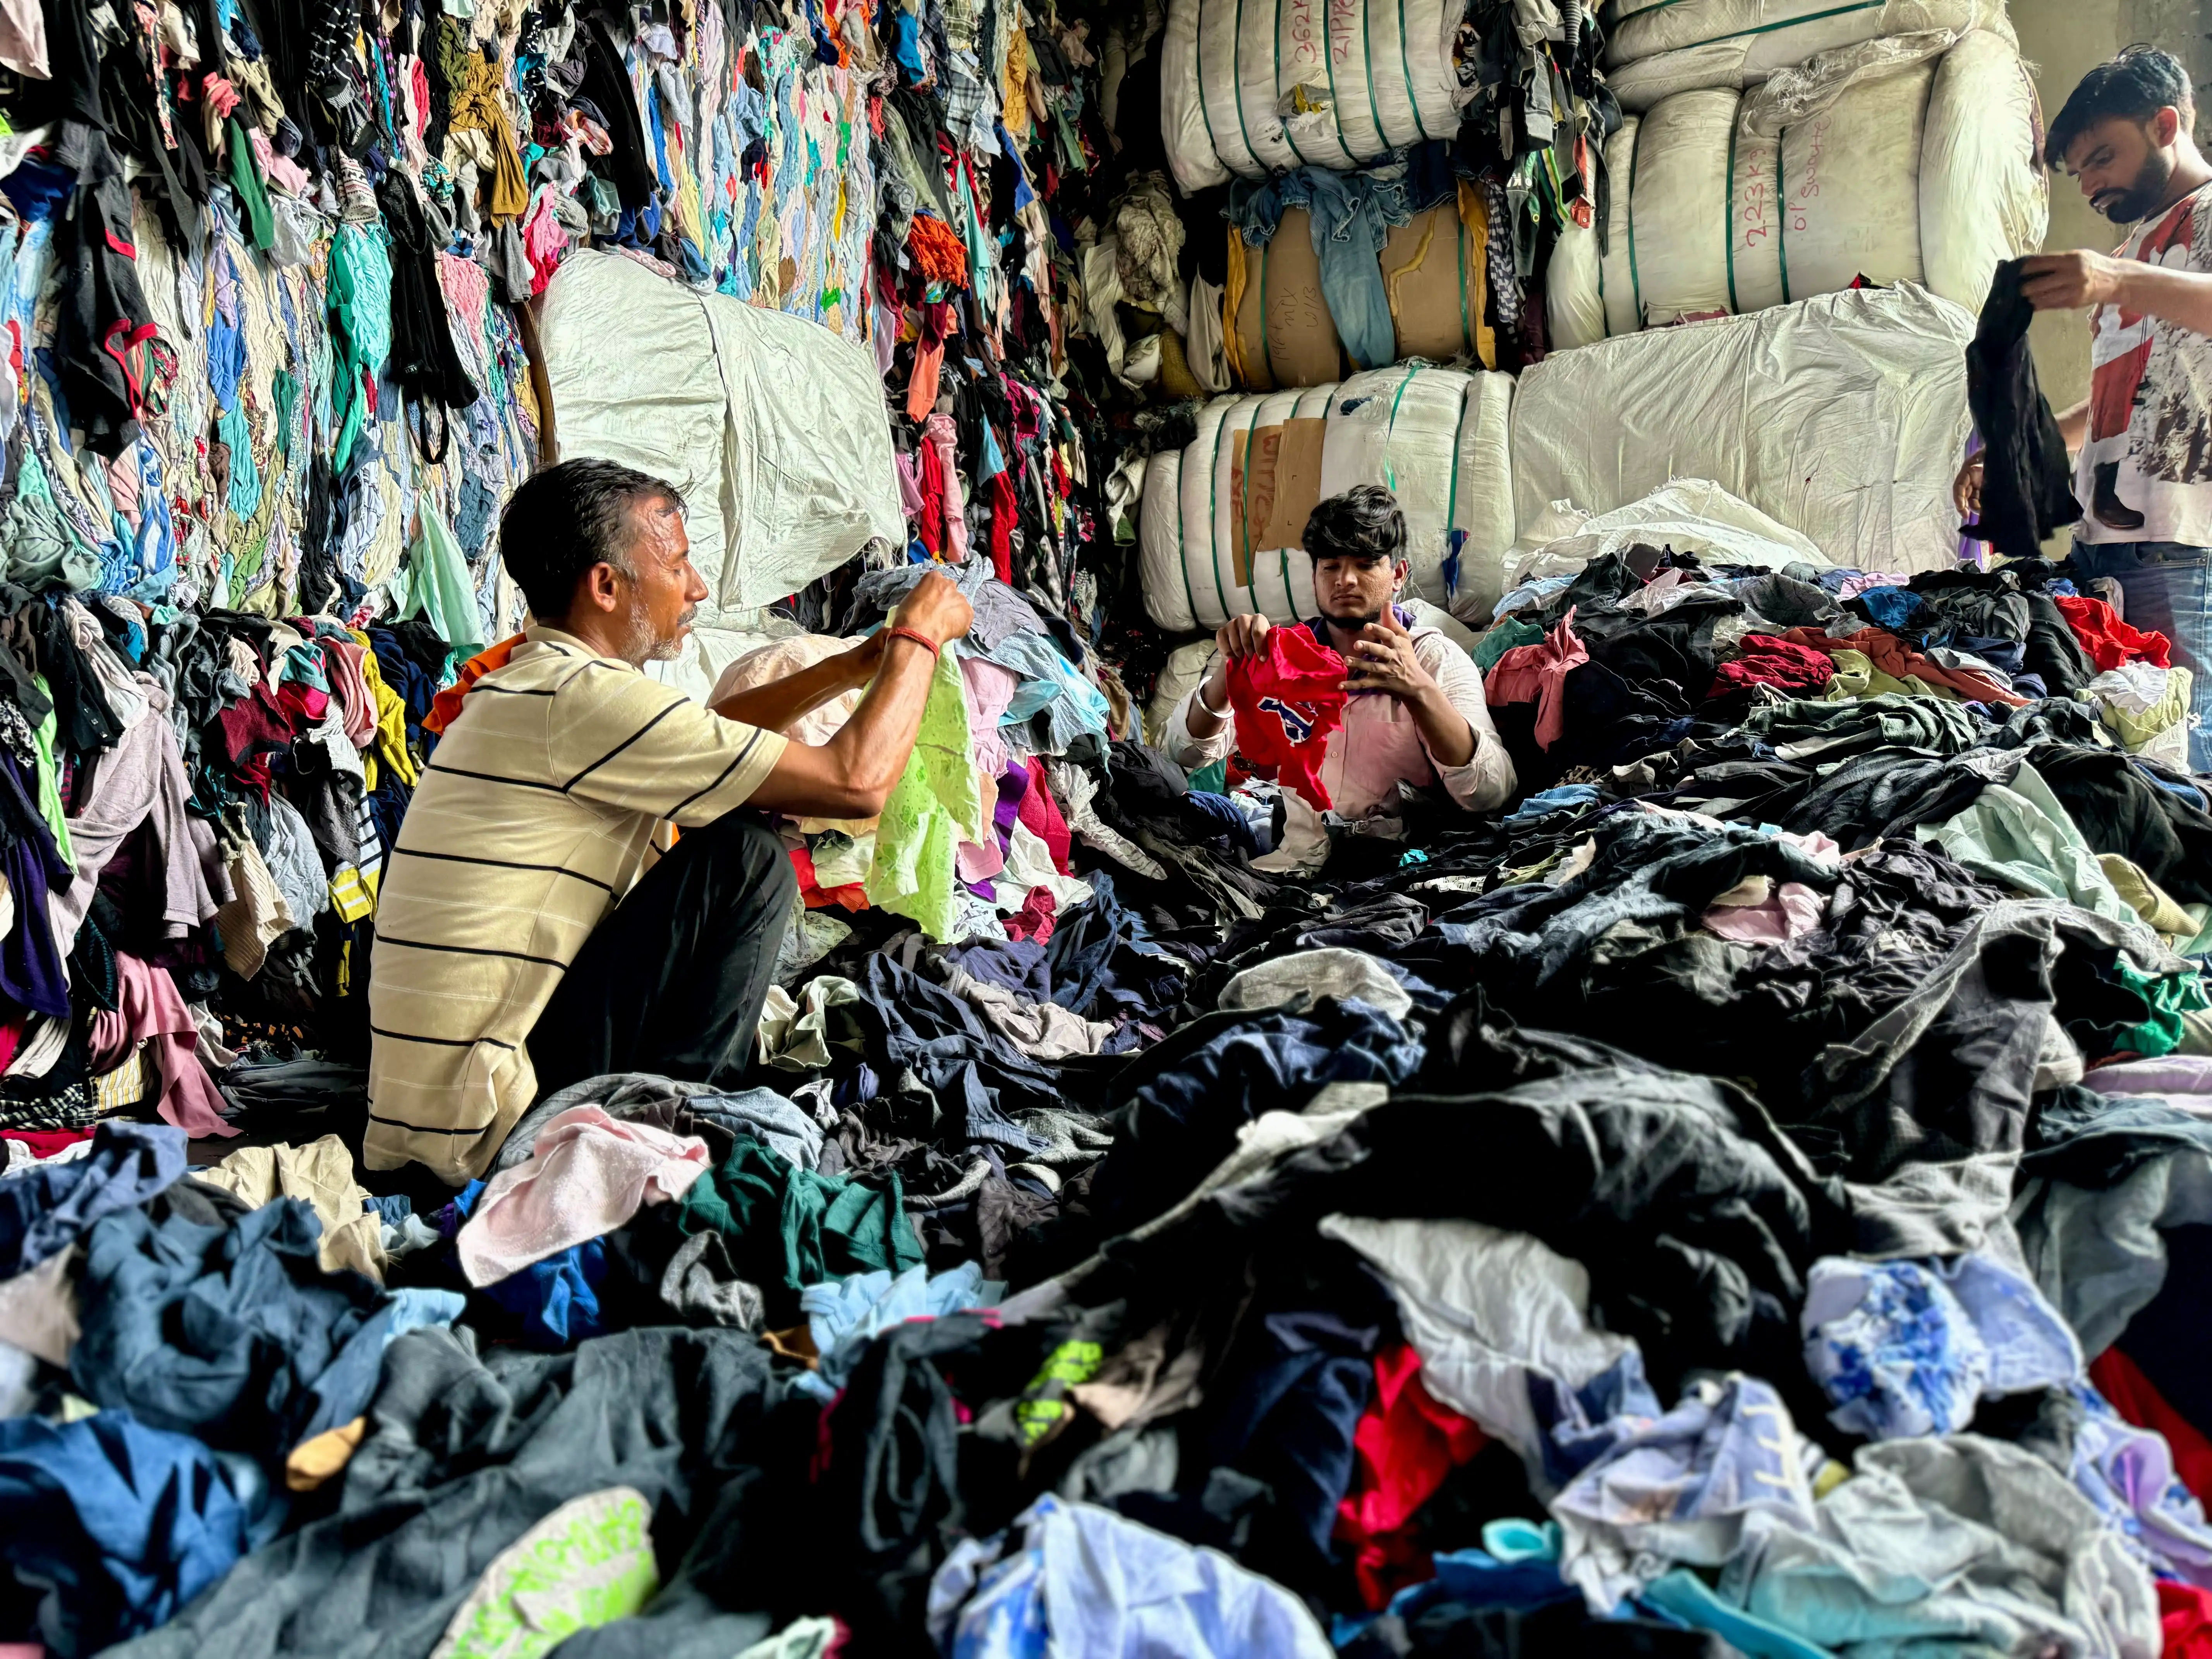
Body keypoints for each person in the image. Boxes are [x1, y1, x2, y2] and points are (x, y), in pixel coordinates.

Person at [365, 457, 973, 1185]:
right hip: (483, 1132)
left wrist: (850, 668)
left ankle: (675, 1106)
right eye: (679, 563)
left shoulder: (541, 680)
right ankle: (687, 1126)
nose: (697, 587)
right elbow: (856, 783)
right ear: (606, 586)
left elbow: (713, 731)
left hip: (442, 1106)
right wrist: (917, 639)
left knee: (733, 837)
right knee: (747, 859)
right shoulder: (580, 696)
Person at [1954, 46, 2212, 769]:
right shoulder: (2135, 246)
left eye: (2105, 157)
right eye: (2081, 172)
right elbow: (2118, 404)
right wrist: (2011, 453)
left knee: (2180, 749)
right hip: (2103, 536)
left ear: (2165, 125)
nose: (2092, 185)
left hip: (2183, 545)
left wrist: (2116, 279)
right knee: (2118, 741)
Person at [1163, 485, 1516, 872]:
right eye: (1330, 566)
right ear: (1315, 577)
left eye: (1364, 564)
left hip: (1401, 873)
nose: (1345, 580)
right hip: (1292, 869)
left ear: (1398, 575)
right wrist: (1229, 676)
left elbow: (1491, 792)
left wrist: (1419, 691)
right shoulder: (1281, 659)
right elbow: (1184, 754)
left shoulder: (1434, 659)